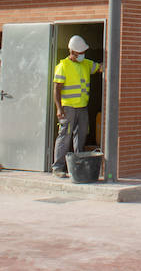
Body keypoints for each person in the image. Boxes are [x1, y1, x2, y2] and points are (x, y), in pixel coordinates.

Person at [51, 35, 100, 177]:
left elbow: (100, 68)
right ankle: (58, 168)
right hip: (68, 108)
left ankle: (77, 166)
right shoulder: (63, 66)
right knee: (64, 136)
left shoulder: (86, 64)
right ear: (72, 52)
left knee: (81, 135)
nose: (82, 55)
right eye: (80, 53)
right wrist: (59, 108)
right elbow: (57, 89)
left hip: (82, 107)